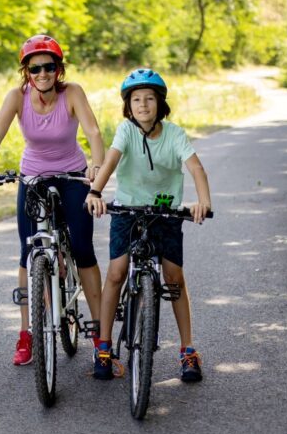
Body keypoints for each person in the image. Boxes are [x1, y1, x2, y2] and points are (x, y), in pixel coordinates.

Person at [0, 35, 105, 366]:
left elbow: (93, 132)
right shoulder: (17, 97)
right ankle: (26, 335)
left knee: (83, 249)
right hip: (33, 177)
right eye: (35, 68)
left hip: (72, 175)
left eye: (49, 67)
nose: (43, 73)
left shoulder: (72, 92)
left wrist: (96, 165)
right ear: (27, 72)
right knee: (28, 252)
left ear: (59, 69)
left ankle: (100, 336)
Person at [85, 68, 211, 381]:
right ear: (128, 106)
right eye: (136, 100)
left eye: (149, 99)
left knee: (174, 277)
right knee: (116, 272)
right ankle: (104, 348)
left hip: (165, 212)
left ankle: (188, 350)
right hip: (128, 209)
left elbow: (196, 168)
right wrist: (95, 192)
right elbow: (111, 161)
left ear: (160, 104)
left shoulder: (175, 134)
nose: (143, 105)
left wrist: (203, 201)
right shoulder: (126, 131)